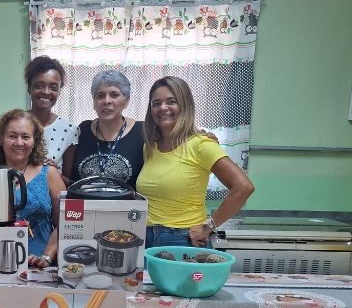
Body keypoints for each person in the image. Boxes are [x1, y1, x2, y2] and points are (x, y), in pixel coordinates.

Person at [136, 76, 254, 248]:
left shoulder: (201, 145)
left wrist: (209, 227)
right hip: (147, 238)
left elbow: (244, 187)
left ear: (185, 105)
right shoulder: (150, 148)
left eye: (171, 101)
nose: (163, 108)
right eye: (156, 103)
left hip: (183, 239)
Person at [0, 109, 66, 268]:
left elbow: (64, 222)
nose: (19, 142)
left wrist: (47, 256)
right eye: (12, 136)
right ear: (1, 139)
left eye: (25, 137)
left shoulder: (49, 174)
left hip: (40, 267)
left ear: (35, 140)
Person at [62, 70, 145, 188]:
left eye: (114, 95)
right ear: (94, 102)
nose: (107, 101)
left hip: (127, 205)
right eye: (100, 96)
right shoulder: (83, 130)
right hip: (84, 204)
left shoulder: (141, 132)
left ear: (126, 101)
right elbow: (71, 178)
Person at [24, 56, 79, 167]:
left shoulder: (69, 130)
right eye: (39, 86)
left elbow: (70, 182)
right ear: (29, 87)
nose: (46, 92)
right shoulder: (13, 124)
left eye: (53, 87)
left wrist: (52, 171)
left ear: (59, 92)